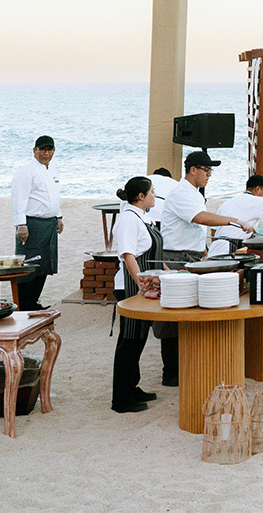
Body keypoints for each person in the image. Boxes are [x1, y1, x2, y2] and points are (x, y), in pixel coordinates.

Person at [155, 151, 254, 385]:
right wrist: (234, 221)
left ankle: (186, 364)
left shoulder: (194, 193)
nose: (210, 175)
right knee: (173, 314)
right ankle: (171, 373)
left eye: (211, 171)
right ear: (193, 170)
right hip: (175, 256)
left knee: (190, 310)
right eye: (207, 170)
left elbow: (195, 229)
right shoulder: (181, 192)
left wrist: (204, 253)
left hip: (191, 255)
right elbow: (200, 218)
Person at [111, 176, 162, 413]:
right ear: (140, 196)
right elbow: (128, 256)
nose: (154, 195)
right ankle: (121, 399)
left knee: (139, 338)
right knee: (129, 340)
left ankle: (132, 387)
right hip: (131, 287)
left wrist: (169, 273)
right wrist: (142, 286)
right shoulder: (128, 220)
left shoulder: (142, 216)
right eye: (152, 192)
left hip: (145, 284)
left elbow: (152, 255)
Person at [10, 135, 62, 310]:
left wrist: (59, 217)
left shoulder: (53, 170)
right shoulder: (26, 172)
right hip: (32, 224)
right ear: (35, 150)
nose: (46, 153)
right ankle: (23, 303)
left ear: (53, 151)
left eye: (50, 150)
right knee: (29, 262)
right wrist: (21, 225)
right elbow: (19, 199)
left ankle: (33, 301)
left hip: (49, 224)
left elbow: (54, 195)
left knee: (45, 264)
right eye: (43, 150)